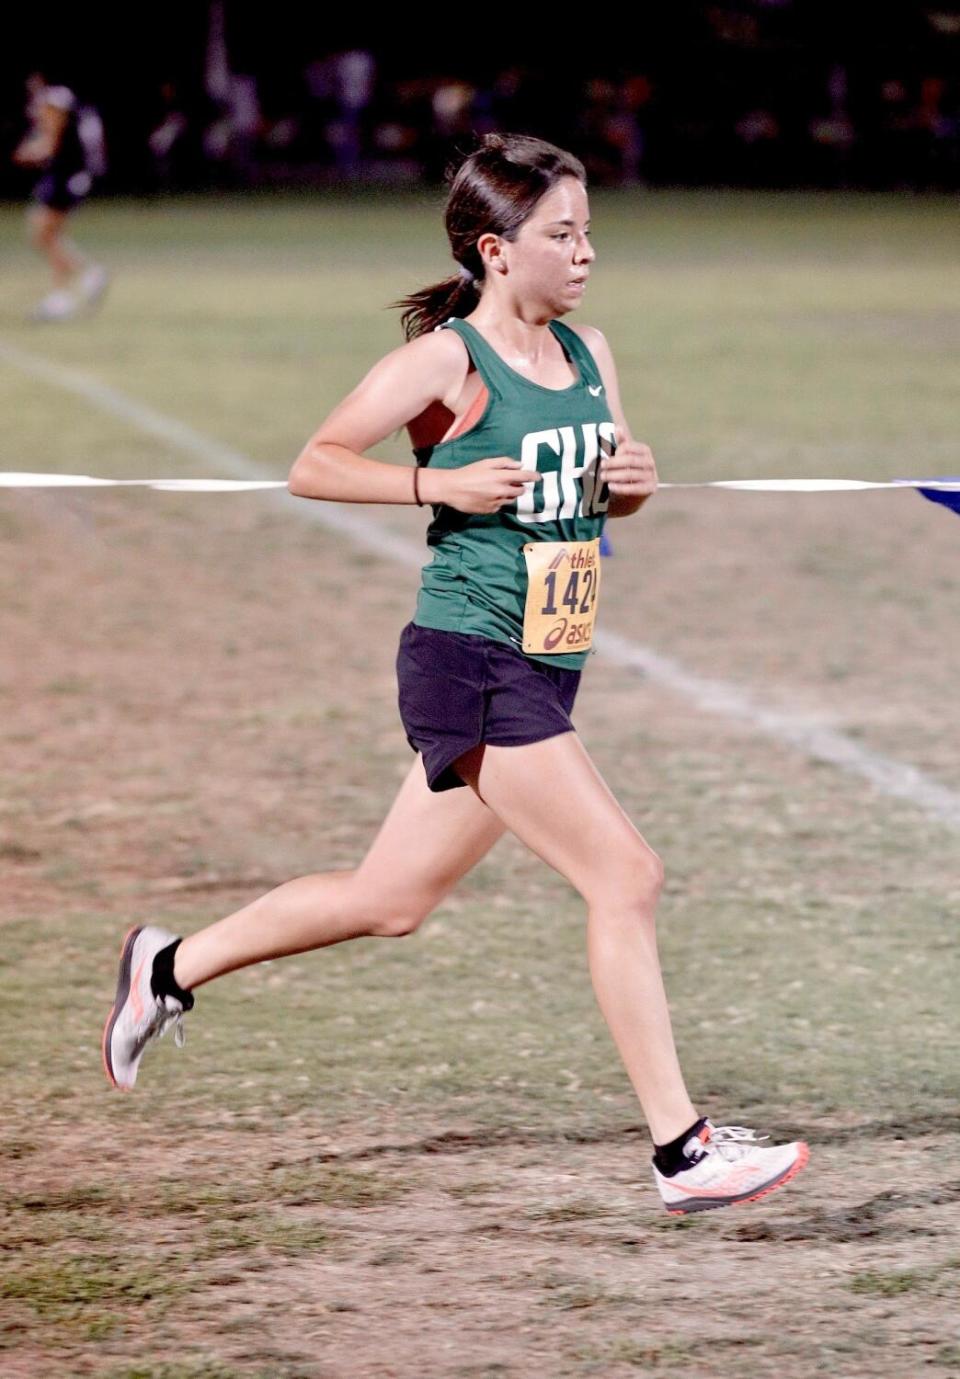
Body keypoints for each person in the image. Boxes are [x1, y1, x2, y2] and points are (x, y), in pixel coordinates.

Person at [102, 132, 808, 1214]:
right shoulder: (446, 362)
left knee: (389, 900)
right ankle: (683, 1151)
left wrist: (634, 482)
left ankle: (166, 966)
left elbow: (604, 498)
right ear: (496, 248)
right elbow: (313, 464)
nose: (584, 254)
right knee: (628, 876)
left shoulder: (589, 353)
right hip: (469, 661)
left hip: (545, 660)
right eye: (561, 236)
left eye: (589, 235)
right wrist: (438, 486)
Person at [13, 71, 109, 322]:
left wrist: (29, 152)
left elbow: (52, 142)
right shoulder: (62, 99)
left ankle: (69, 291)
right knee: (46, 234)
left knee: (44, 233)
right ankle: (82, 279)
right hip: (67, 174)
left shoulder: (55, 99)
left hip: (65, 175)